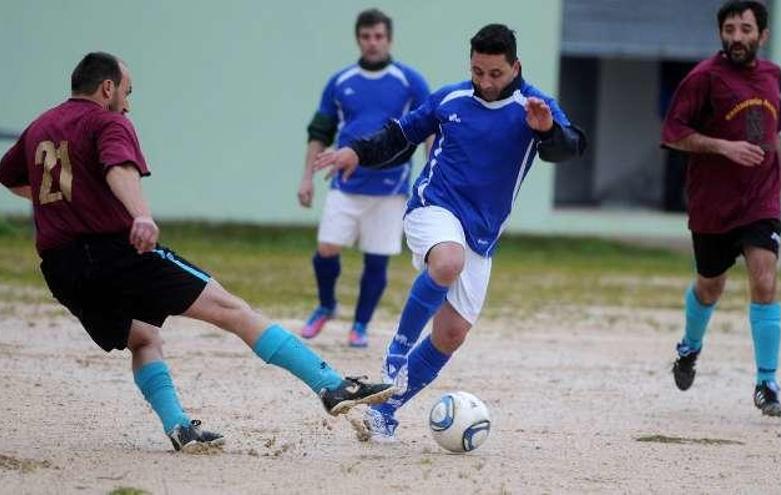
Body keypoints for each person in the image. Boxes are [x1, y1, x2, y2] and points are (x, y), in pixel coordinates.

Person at [0, 52, 393, 453]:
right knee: (233, 309)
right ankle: (330, 384)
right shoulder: (108, 121)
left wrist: (70, 201)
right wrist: (141, 216)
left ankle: (179, 428)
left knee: (144, 337)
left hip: (63, 270)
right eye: (127, 91)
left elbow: (11, 176)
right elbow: (119, 168)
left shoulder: (40, 127)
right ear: (107, 88)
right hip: (114, 253)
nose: (128, 103)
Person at [315, 24, 586, 441]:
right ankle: (394, 357)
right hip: (433, 208)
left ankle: (385, 410)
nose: (485, 81)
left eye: (495, 73)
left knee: (451, 334)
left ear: (516, 66)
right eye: (478, 71)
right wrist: (356, 150)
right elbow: (399, 134)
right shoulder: (450, 98)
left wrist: (547, 130)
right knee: (447, 261)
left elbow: (568, 147)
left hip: (482, 233)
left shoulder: (534, 106)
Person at [660, 1, 781, 417]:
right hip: (713, 204)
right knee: (710, 287)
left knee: (764, 280)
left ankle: (766, 383)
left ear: (762, 35)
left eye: (745, 29)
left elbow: (768, 131)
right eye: (730, 29)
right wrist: (723, 146)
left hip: (759, 199)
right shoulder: (704, 78)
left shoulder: (772, 76)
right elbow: (674, 134)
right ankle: (689, 347)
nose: (737, 37)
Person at [298, 8, 431, 348]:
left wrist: (432, 176)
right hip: (345, 183)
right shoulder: (340, 81)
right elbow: (319, 132)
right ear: (358, 38)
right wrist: (306, 179)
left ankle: (360, 325)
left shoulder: (410, 81)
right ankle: (326, 306)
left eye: (379, 37)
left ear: (389, 39)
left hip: (391, 188)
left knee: (376, 257)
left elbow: (429, 130)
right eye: (366, 36)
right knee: (326, 248)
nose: (373, 43)